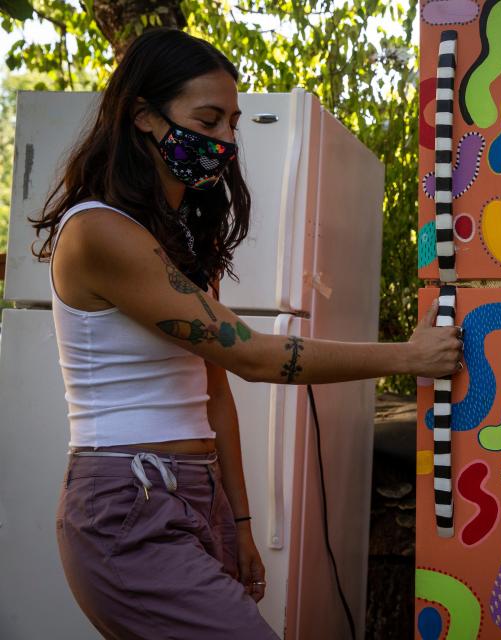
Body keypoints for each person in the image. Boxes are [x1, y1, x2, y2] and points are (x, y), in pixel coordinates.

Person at [28, 27, 461, 639]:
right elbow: (254, 356)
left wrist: (239, 523)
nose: (226, 141)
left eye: (232, 124)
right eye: (208, 122)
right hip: (127, 502)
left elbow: (214, 391)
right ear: (145, 117)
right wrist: (411, 356)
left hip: (193, 492)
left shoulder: (176, 241)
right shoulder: (99, 232)